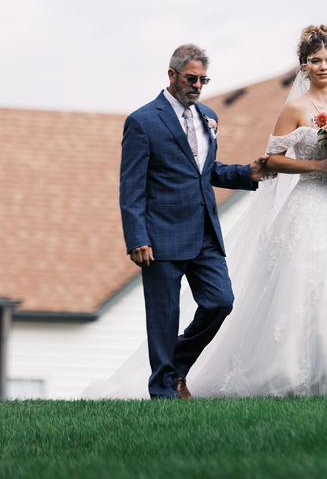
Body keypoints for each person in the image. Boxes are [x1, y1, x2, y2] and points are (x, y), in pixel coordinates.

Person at [181, 25, 327, 397]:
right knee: (302, 283)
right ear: (304, 66)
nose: (322, 66)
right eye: (314, 61)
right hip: (307, 202)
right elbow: (273, 159)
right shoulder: (294, 108)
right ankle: (291, 372)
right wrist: (319, 167)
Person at [119, 43, 269, 399]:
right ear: (172, 76)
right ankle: (163, 392)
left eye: (203, 79)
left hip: (204, 234)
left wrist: (248, 173)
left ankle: (178, 366)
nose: (197, 85)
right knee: (163, 319)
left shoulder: (208, 115)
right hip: (159, 238)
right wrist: (136, 237)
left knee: (221, 301)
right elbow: (131, 186)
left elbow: (206, 171)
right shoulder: (142, 121)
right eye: (191, 78)